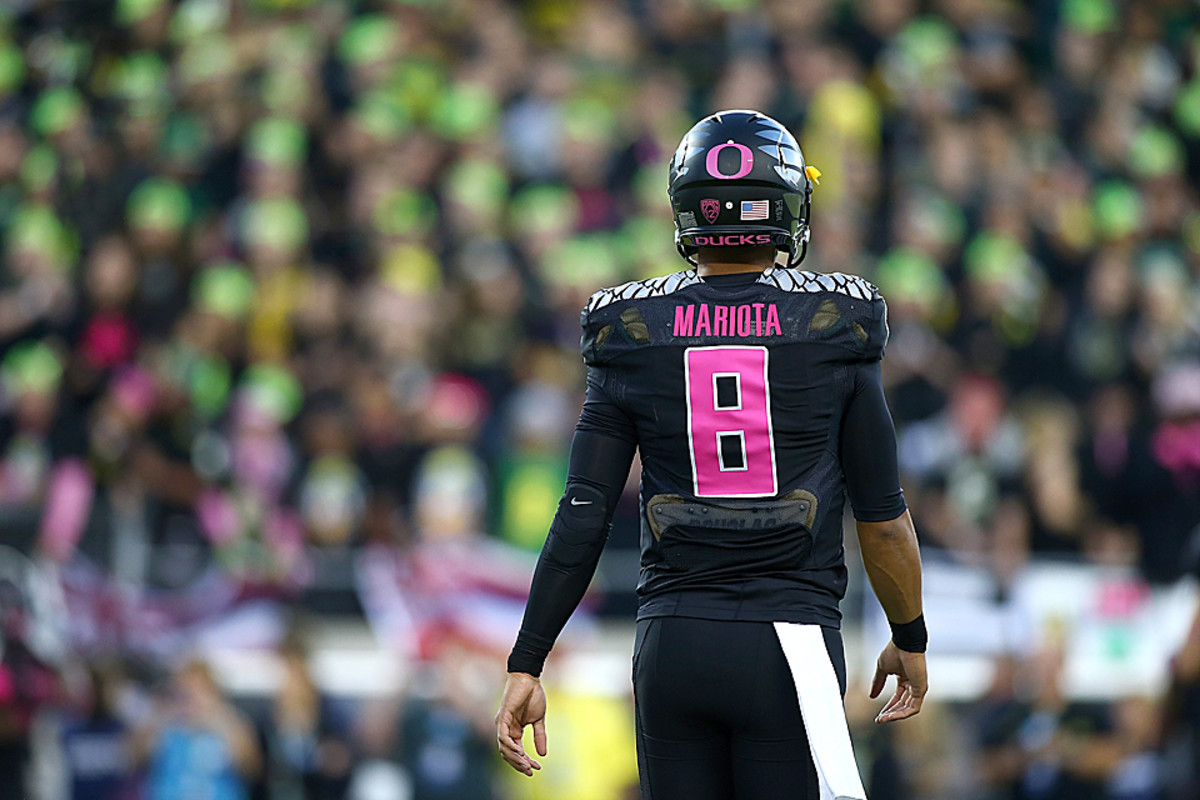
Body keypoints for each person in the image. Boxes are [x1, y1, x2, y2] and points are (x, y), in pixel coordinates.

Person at [495, 109, 928, 800]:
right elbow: (882, 519)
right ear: (784, 207)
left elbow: (583, 513)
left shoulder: (631, 328)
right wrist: (910, 634)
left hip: (672, 642)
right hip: (789, 638)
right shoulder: (833, 324)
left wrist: (528, 659)